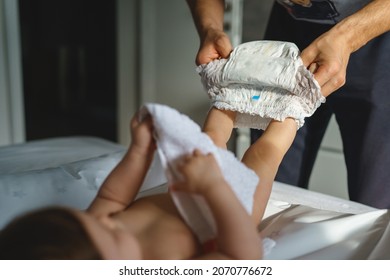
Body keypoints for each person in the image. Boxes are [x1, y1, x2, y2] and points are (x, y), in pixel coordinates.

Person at [186, 0, 390, 208]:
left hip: (377, 33)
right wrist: (210, 27)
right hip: (289, 33)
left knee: (376, 203)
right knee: (274, 181)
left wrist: (347, 36)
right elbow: (263, 153)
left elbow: (224, 142)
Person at [0, 110, 263, 260]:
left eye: (88, 218)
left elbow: (113, 198)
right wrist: (213, 186)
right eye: (113, 234)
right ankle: (292, 113)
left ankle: (230, 97)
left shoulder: (94, 232)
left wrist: (139, 151)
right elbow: (241, 257)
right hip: (230, 214)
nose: (107, 219)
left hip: (189, 185)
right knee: (263, 156)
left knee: (211, 138)